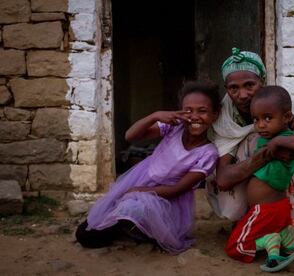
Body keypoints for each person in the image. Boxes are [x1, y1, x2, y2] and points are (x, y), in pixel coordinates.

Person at [76, 81, 220, 254]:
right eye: (188, 110)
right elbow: (131, 136)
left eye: (202, 111)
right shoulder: (174, 128)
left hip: (166, 198)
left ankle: (142, 229)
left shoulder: (208, 153)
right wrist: (155, 116)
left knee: (130, 209)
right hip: (142, 178)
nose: (194, 116)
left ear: (215, 115)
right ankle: (128, 225)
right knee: (85, 232)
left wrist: (139, 191)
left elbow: (178, 189)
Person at [207, 47, 294, 239]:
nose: (242, 95)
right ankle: (246, 219)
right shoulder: (225, 119)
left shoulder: (285, 111)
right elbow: (223, 179)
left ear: (262, 82)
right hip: (243, 179)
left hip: (276, 184)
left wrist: (293, 150)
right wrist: (269, 152)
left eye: (249, 85)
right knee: (255, 138)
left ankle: (279, 224)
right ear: (227, 89)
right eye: (233, 88)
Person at [225, 86, 294, 272]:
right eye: (256, 119)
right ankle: (286, 241)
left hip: (265, 210)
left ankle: (270, 240)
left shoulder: (287, 138)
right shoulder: (268, 136)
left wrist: (278, 142)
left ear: (287, 117)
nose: (260, 125)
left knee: (235, 246)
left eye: (268, 118)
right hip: (279, 207)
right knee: (272, 229)